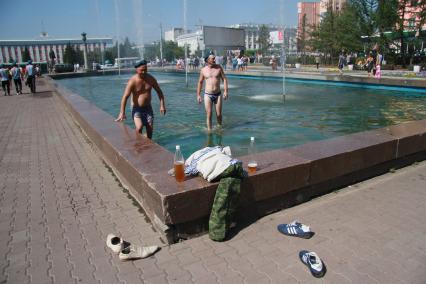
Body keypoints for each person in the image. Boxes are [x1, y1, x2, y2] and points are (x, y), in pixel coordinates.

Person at [115, 59, 166, 139]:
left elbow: (159, 92)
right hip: (136, 108)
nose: (144, 72)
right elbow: (125, 97)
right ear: (136, 69)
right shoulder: (132, 81)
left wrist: (162, 105)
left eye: (145, 70)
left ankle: (149, 145)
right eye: (141, 70)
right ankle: (138, 144)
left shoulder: (151, 79)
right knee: (139, 127)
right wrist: (122, 112)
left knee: (150, 128)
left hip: (148, 108)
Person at [197, 54, 228, 132]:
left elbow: (224, 79)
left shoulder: (219, 68)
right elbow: (200, 82)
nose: (214, 60)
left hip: (218, 94)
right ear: (208, 60)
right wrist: (198, 95)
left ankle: (219, 128)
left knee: (218, 114)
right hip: (208, 95)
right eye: (212, 59)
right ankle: (209, 130)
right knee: (209, 114)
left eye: (214, 58)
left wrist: (226, 91)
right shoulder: (203, 70)